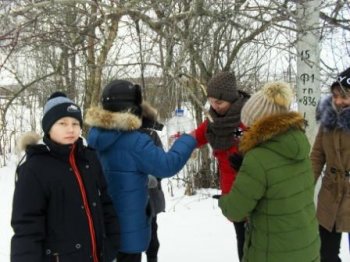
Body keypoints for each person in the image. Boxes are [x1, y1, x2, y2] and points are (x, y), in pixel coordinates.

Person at [85, 79, 196, 262]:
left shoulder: (95, 136)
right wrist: (188, 140)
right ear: (133, 108)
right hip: (129, 232)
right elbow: (167, 165)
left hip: (104, 228)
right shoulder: (135, 141)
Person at [11, 92, 120, 262]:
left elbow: (105, 203)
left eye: (75, 123)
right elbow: (27, 227)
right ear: (48, 127)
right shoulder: (34, 168)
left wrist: (112, 245)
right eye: (62, 123)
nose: (71, 129)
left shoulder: (89, 158)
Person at [218, 81, 320, 262]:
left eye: (248, 125)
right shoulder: (300, 146)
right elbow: (281, 188)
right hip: (306, 247)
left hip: (273, 252)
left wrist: (224, 200)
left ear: (258, 124)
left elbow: (235, 210)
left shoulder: (258, 158)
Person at [194, 71, 249, 261]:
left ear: (231, 99)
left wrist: (249, 162)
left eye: (219, 102)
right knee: (242, 243)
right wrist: (178, 147)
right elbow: (196, 136)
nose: (215, 107)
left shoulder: (249, 116)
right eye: (211, 101)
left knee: (259, 246)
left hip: (255, 192)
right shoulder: (213, 121)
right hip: (232, 194)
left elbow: (268, 149)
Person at [311, 67, 350, 262]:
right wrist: (304, 184)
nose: (338, 101)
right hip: (331, 192)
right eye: (335, 95)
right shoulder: (329, 119)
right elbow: (317, 156)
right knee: (325, 253)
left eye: (344, 96)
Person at [140, 101, 166, 262]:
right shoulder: (118, 136)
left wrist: (154, 177)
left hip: (150, 195)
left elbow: (162, 163)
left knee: (152, 235)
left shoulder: (151, 135)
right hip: (126, 197)